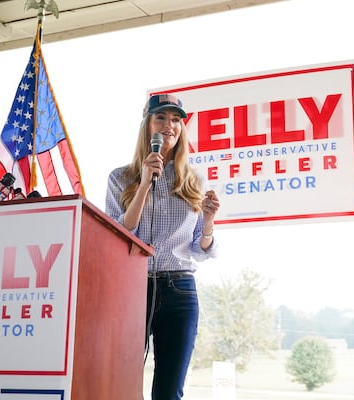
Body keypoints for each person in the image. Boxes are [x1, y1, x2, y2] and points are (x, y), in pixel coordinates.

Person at [105, 93, 219, 399]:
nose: (169, 126)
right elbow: (121, 232)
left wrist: (208, 221)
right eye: (161, 118)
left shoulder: (193, 179)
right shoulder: (120, 177)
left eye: (176, 120)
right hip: (133, 288)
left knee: (168, 392)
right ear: (147, 125)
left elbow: (200, 248)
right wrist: (143, 184)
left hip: (180, 290)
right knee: (120, 385)